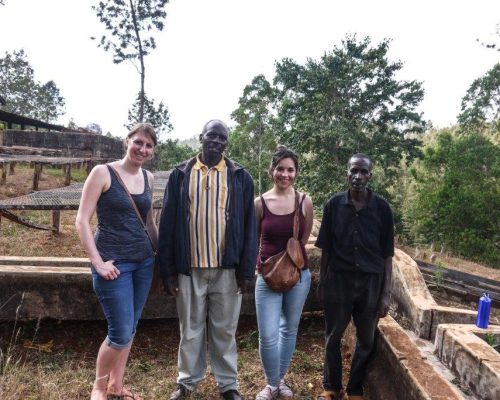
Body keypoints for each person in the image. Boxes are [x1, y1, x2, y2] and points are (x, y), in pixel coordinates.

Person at [158, 119, 257, 400]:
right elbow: (167, 223)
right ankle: (186, 382)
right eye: (211, 136)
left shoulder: (240, 177)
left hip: (228, 269)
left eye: (221, 138)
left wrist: (246, 272)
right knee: (190, 329)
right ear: (201, 137)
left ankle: (228, 385)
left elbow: (251, 227)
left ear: (227, 143)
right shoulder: (181, 174)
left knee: (225, 330)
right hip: (189, 268)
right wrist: (167, 271)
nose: (215, 141)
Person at [75, 123, 158, 400]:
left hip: (144, 263)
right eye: (138, 142)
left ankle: (117, 386)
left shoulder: (149, 178)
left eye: (148, 145)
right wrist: (97, 262)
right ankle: (98, 386)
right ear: (127, 141)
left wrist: (161, 257)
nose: (142, 149)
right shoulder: (103, 173)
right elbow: (82, 221)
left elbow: (149, 223)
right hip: (114, 265)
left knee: (131, 328)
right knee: (120, 331)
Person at [315, 154, 394, 400]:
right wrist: (322, 282)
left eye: (363, 172)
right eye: (354, 171)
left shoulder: (382, 208)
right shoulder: (333, 205)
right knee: (333, 337)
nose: (358, 177)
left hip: (370, 284)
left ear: (370, 176)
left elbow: (387, 256)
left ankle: (355, 388)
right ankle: (331, 387)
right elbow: (326, 248)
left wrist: (385, 294)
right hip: (339, 281)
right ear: (346, 173)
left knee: (367, 340)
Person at [254, 146, 314, 400]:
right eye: (280, 168)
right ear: (272, 170)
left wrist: (291, 265)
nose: (285, 174)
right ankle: (271, 383)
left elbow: (304, 237)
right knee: (268, 334)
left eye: (290, 169)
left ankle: (278, 382)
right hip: (266, 275)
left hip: (298, 275)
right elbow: (253, 239)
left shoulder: (304, 201)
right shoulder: (260, 203)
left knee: (288, 329)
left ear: (296, 172)